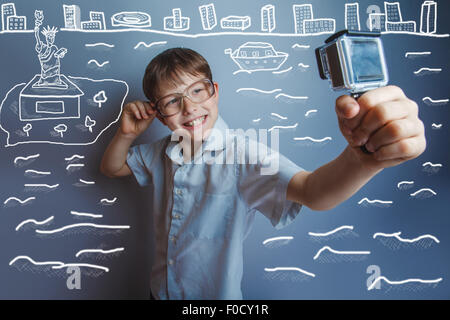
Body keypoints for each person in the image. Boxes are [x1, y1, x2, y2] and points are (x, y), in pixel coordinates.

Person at [100, 48, 426, 299]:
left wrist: (363, 160)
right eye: (173, 101)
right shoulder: (160, 152)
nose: (189, 108)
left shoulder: (246, 155)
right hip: (159, 293)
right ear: (159, 115)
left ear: (214, 91)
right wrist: (127, 134)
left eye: (197, 91)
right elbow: (112, 167)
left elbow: (312, 190)